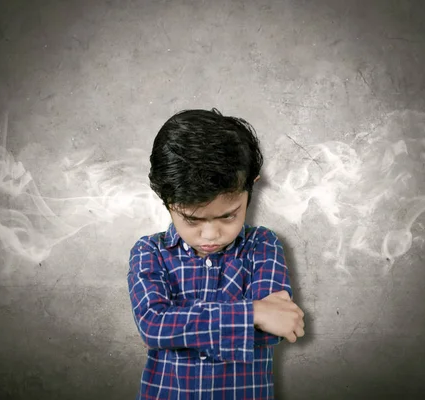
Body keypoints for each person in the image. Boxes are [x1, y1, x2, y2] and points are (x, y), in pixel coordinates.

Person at [127, 108, 305, 399]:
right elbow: (153, 326)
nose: (210, 235)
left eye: (227, 216)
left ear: (251, 188)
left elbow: (274, 329)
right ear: (166, 200)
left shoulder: (263, 246)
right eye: (192, 220)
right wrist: (254, 313)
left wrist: (181, 328)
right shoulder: (150, 252)